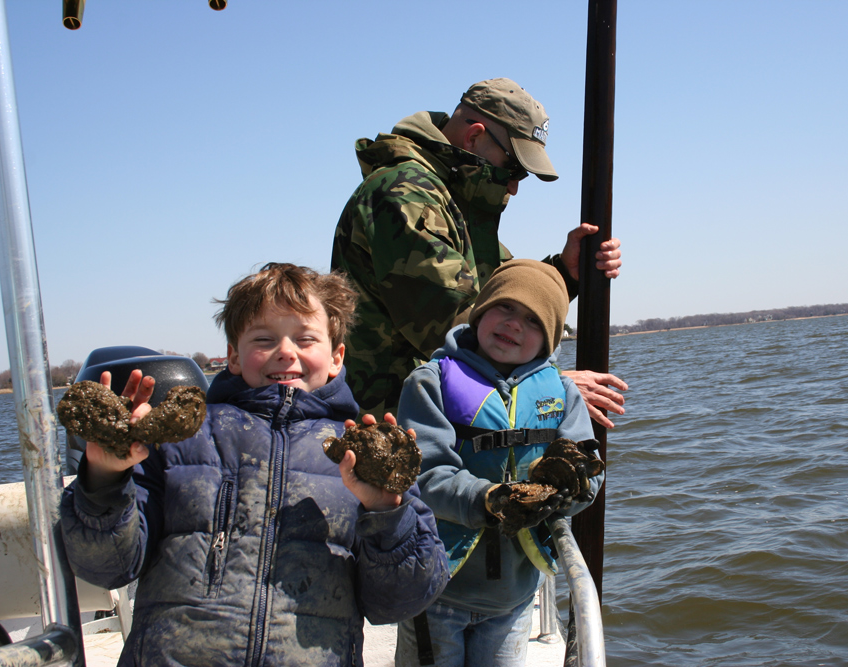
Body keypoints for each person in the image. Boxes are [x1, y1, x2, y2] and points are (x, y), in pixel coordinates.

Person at [60, 262, 449, 667]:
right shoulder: (178, 441)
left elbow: (400, 601)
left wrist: (388, 512)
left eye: (305, 338)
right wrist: (105, 477)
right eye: (264, 338)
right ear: (233, 355)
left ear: (336, 358)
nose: (285, 351)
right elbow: (107, 566)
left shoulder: (365, 456)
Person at [331, 77, 627, 427]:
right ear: (474, 136)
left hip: (438, 420)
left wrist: (566, 273)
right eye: (513, 168)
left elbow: (498, 292)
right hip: (395, 428)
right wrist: (550, 384)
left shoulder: (450, 198)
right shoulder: (405, 195)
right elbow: (456, 323)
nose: (514, 187)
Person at [392, 259, 604, 667]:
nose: (514, 324)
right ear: (480, 311)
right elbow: (425, 473)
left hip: (513, 599)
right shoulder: (429, 381)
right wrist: (490, 499)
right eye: (505, 307)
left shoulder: (562, 392)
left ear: (549, 338)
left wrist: (563, 491)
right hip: (435, 590)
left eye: (532, 319)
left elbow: (589, 478)